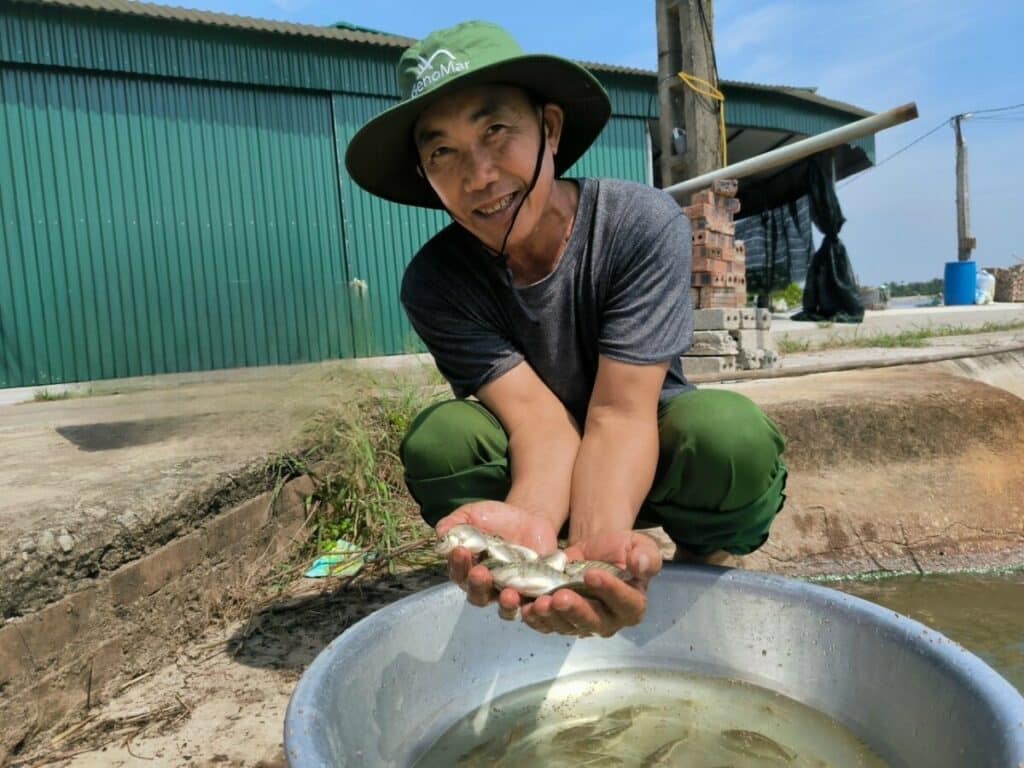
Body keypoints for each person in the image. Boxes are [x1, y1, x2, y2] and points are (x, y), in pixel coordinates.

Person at [345, 21, 788, 639]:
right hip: (540, 470)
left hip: (648, 455)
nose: (478, 176)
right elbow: (538, 424)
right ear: (425, 174)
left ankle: (701, 558)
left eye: (496, 131)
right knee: (443, 440)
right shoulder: (436, 281)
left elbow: (619, 415)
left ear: (549, 129)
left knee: (728, 437)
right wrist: (534, 532)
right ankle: (538, 564)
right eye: (442, 152)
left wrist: (597, 548)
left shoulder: (638, 224)